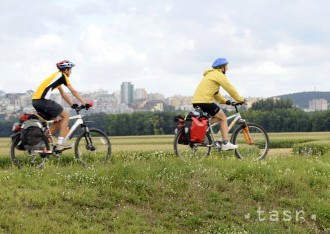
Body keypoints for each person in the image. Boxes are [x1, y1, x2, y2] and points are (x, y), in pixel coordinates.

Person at [32, 60, 89, 151]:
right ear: (66, 70)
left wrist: (72, 105)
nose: (71, 72)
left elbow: (63, 94)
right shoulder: (62, 76)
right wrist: (84, 103)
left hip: (36, 102)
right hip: (42, 101)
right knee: (66, 115)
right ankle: (60, 143)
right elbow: (73, 91)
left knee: (58, 121)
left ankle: (42, 144)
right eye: (70, 70)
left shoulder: (56, 77)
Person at [192, 57, 245, 150]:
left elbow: (215, 94)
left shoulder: (210, 75)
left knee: (216, 118)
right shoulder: (219, 75)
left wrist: (226, 101)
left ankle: (202, 130)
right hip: (205, 101)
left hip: (196, 101)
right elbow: (230, 88)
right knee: (223, 118)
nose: (227, 69)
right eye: (226, 66)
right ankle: (225, 143)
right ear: (222, 67)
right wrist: (239, 99)